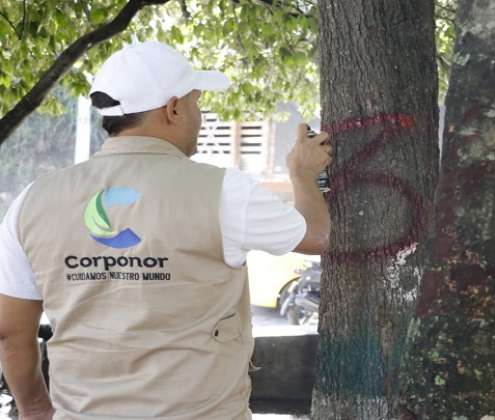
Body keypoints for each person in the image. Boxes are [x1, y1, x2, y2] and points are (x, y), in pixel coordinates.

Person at [0, 40, 331, 420]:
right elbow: (316, 236)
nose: (200, 115)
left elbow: (10, 332)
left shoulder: (33, 200)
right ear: (173, 108)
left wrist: (36, 410)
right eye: (196, 103)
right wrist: (304, 174)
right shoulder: (223, 191)